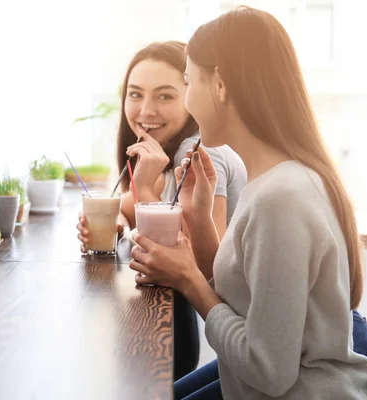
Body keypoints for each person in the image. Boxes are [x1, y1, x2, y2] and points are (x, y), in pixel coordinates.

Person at [128, 6, 367, 399]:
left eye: (189, 83)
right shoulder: (272, 180)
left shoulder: (281, 197)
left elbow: (268, 368)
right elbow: (245, 296)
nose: (189, 102)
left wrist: (189, 281)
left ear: (221, 85)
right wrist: (197, 216)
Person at [75, 41, 247, 381]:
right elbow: (124, 210)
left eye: (165, 96)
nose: (145, 110)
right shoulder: (167, 149)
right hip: (228, 343)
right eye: (135, 94)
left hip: (265, 355)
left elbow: (205, 265)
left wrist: (147, 187)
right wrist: (116, 223)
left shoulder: (198, 152)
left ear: (193, 96)